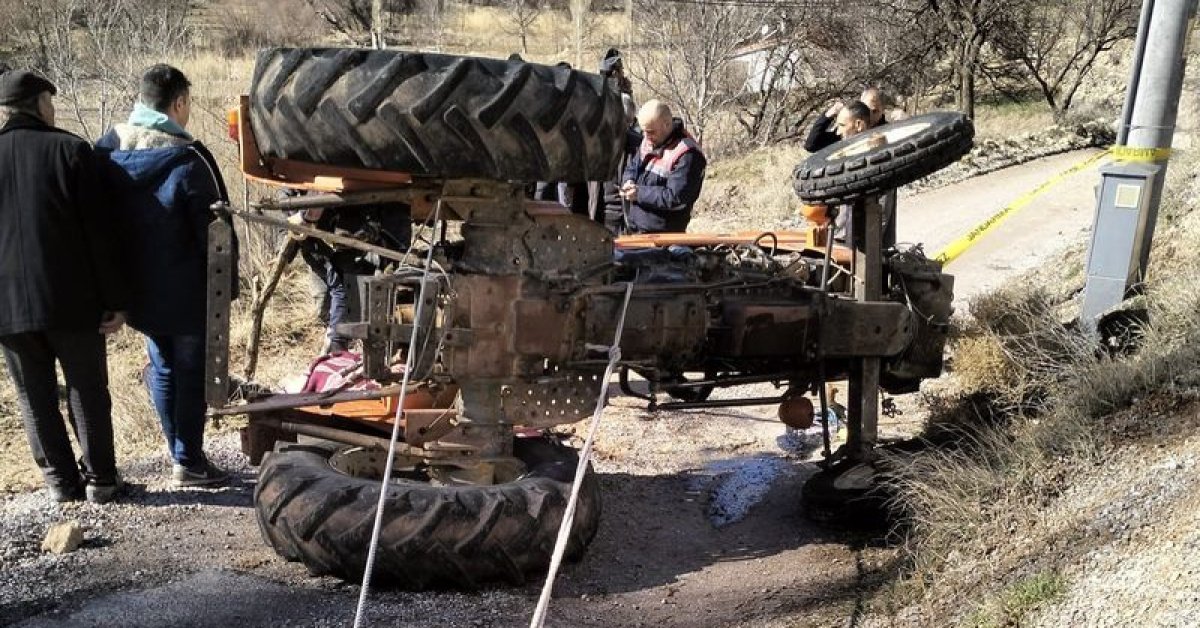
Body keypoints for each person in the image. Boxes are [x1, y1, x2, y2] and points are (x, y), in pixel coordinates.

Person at [95, 64, 234, 488]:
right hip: (188, 292)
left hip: (136, 292)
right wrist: (226, 291)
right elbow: (217, 232)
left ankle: (180, 452)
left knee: (163, 366)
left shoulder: (106, 151)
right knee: (190, 372)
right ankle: (188, 460)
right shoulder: (190, 159)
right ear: (178, 104)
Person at [0, 70, 128, 503]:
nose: (53, 109)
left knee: (32, 394)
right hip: (72, 300)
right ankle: (102, 482)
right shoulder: (70, 150)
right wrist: (115, 299)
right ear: (39, 104)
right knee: (86, 389)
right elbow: (101, 234)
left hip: (7, 307)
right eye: (50, 101)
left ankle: (59, 482)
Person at [287, 198, 412, 354]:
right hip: (324, 246)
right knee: (338, 289)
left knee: (353, 283)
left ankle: (340, 340)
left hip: (355, 238)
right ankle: (338, 342)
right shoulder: (308, 212)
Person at [619, 100, 706, 234]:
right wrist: (628, 181)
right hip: (635, 228)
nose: (647, 137)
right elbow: (632, 167)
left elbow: (676, 198)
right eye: (644, 132)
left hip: (664, 234)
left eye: (651, 132)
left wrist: (639, 193)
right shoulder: (648, 140)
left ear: (666, 124)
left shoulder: (688, 154)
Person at [804, 87, 891, 153]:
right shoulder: (847, 130)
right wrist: (828, 116)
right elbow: (811, 146)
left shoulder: (889, 132)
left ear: (883, 110)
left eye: (874, 111)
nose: (869, 115)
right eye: (865, 108)